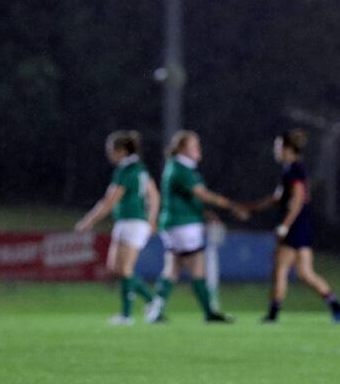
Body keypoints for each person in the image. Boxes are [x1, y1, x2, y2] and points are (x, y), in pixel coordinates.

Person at [240, 129, 340, 324]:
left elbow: (299, 198)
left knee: (280, 269)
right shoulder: (289, 169)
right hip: (302, 226)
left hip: (295, 226)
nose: (276, 150)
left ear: (288, 149)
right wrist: (251, 208)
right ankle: (336, 306)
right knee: (305, 273)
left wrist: (285, 225)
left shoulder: (294, 169)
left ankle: (273, 314)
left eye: (279, 146)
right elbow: (278, 198)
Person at [145, 130, 242, 324]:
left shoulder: (178, 167)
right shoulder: (181, 168)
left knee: (172, 268)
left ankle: (155, 311)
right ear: (181, 148)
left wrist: (205, 213)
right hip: (183, 225)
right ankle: (209, 312)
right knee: (197, 268)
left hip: (177, 224)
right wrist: (231, 205)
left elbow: (186, 197)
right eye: (194, 145)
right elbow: (201, 194)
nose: (198, 149)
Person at [75, 130, 160, 325]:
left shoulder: (126, 170)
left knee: (125, 269)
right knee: (116, 268)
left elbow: (110, 200)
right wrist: (152, 219)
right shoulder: (140, 168)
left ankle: (130, 313)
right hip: (129, 222)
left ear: (121, 151)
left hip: (133, 222)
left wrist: (89, 221)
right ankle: (149, 303)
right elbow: (154, 196)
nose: (109, 154)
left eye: (110, 150)